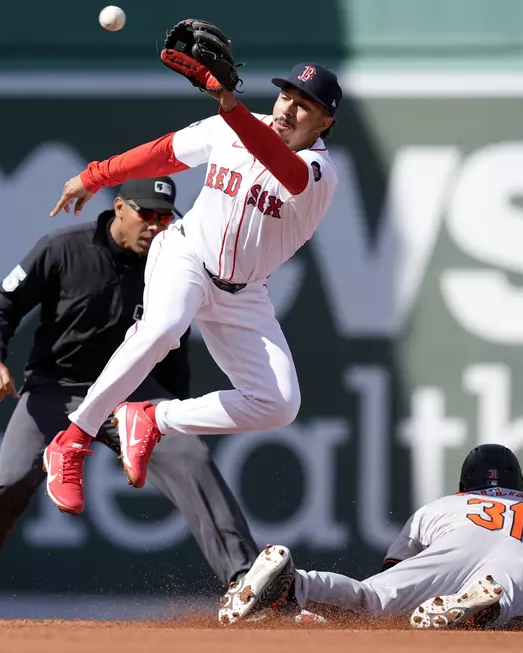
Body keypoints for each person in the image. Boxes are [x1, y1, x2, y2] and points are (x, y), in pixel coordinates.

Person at [41, 54, 342, 515]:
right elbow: (165, 153)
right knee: (162, 330)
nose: (287, 109)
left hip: (243, 293)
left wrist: (230, 107)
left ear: (324, 121)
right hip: (186, 255)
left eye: (304, 105)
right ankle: (73, 439)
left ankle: (150, 417)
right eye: (286, 95)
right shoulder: (234, 126)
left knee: (279, 404)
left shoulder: (321, 173)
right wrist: (94, 175)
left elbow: (285, 168)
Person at [0, 176, 258, 620]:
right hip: (56, 389)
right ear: (119, 208)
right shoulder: (62, 248)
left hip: (129, 395)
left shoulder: (172, 263)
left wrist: (172, 414)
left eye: (165, 217)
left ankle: (244, 580)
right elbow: (1, 306)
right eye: (147, 214)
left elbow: (174, 348)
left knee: (189, 456)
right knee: (12, 480)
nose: (156, 226)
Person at [220, 444, 523, 629]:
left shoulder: (438, 507)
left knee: (371, 599)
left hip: (452, 543)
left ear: (465, 483)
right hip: (517, 556)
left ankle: (296, 583)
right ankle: (480, 608)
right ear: (518, 483)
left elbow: (390, 572)